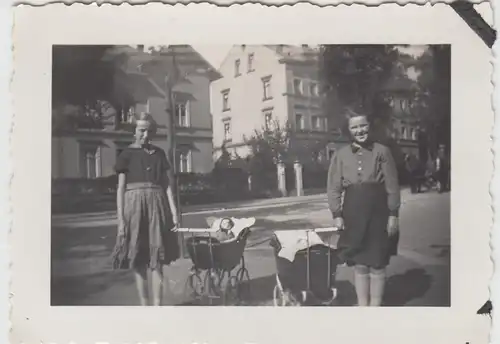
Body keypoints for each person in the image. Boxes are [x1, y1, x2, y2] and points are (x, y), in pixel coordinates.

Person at [327, 109, 401, 307]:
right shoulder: (341, 155)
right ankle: (363, 306)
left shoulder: (382, 151)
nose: (359, 130)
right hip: (353, 211)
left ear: (369, 126)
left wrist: (393, 214)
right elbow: (334, 187)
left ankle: (375, 307)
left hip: (379, 211)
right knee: (359, 262)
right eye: (355, 127)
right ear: (349, 130)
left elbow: (392, 186)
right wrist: (337, 214)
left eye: (363, 126)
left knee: (377, 261)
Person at [111, 112, 180, 306]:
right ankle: (144, 305)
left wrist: (174, 212)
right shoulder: (126, 155)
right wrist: (121, 220)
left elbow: (166, 185)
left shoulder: (159, 154)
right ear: (134, 131)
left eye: (149, 131)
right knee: (139, 260)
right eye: (141, 130)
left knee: (157, 261)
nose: (145, 135)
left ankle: (157, 306)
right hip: (134, 208)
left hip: (157, 207)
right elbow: (121, 188)